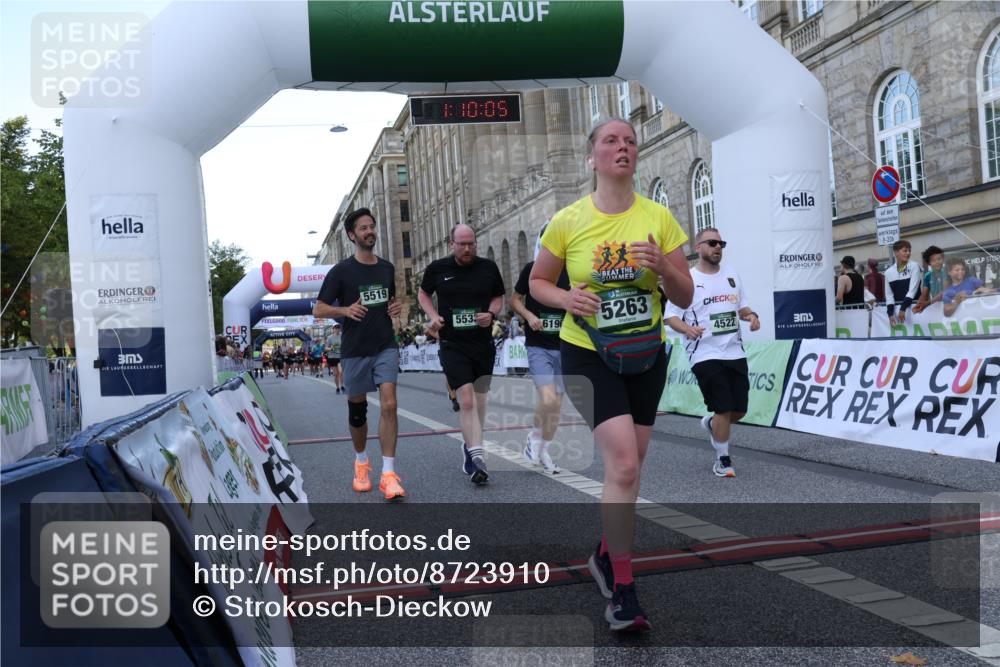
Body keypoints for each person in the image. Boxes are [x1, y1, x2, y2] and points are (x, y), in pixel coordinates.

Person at [529, 117, 692, 632]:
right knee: (622, 465)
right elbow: (537, 282)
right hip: (588, 354)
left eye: (629, 141)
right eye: (610, 141)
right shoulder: (568, 220)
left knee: (634, 463)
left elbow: (686, 294)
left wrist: (664, 269)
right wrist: (565, 297)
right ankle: (623, 589)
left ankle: (603, 553)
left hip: (646, 353)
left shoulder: (659, 218)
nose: (622, 147)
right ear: (591, 157)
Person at [314, 208, 405, 500]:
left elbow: (391, 300)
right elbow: (318, 308)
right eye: (364, 228)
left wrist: (395, 308)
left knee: (389, 403)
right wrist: (344, 310)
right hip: (354, 349)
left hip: (384, 344)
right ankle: (362, 462)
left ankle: (388, 474)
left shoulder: (387, 268)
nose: (370, 231)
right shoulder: (341, 271)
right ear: (352, 235)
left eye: (372, 226)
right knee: (358, 411)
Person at [664, 227, 759, 478]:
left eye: (721, 243)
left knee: (739, 410)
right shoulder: (688, 279)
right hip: (704, 352)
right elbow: (670, 316)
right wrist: (687, 329)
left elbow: (742, 307)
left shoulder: (732, 275)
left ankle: (711, 424)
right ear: (699, 248)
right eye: (712, 243)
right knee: (723, 407)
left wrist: (751, 316)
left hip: (734, 350)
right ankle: (723, 460)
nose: (718, 247)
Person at [419, 223, 505, 485]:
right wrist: (433, 316)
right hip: (452, 343)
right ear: (452, 244)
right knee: (466, 399)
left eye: (471, 244)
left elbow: (498, 297)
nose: (467, 249)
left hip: (482, 344)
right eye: (462, 244)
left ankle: (470, 446)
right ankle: (478, 458)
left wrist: (490, 314)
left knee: (480, 402)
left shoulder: (488, 268)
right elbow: (423, 293)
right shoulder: (438, 269)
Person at [510, 230, 571, 475]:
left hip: (565, 345)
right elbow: (514, 300)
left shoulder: (573, 271)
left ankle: (543, 450)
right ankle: (534, 439)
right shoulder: (532, 269)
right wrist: (529, 316)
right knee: (548, 399)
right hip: (538, 346)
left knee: (556, 407)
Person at [884, 240, 922, 325]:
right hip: (899, 312)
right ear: (896, 252)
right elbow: (889, 296)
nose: (908, 253)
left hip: (915, 310)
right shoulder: (888, 272)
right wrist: (890, 314)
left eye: (909, 251)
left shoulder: (914, 266)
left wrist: (902, 308)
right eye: (905, 251)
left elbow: (912, 291)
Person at [913, 245, 946, 314]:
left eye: (939, 259)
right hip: (937, 308)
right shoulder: (928, 275)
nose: (937, 262)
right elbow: (924, 294)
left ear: (943, 259)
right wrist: (919, 304)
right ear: (929, 263)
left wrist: (927, 303)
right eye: (933, 260)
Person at [325, 324, 344, 391]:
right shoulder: (330, 337)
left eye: (338, 327)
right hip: (332, 357)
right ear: (333, 329)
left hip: (340, 357)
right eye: (336, 328)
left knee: (341, 372)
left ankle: (342, 386)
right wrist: (331, 349)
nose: (337, 329)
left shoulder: (343, 336)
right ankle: (337, 387)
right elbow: (326, 348)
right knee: (336, 374)